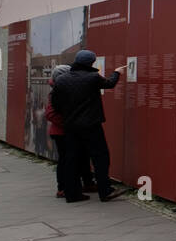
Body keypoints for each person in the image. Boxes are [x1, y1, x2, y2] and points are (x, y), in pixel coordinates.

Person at [51, 50, 127, 202]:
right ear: (91, 63)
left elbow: (56, 105)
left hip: (71, 127)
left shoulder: (62, 80)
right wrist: (117, 72)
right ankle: (105, 191)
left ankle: (72, 194)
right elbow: (109, 84)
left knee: (72, 159)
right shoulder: (92, 77)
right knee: (100, 157)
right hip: (91, 125)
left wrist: (69, 115)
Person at [44, 64, 96, 198]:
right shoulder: (56, 91)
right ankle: (63, 188)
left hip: (71, 131)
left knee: (81, 157)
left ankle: (86, 183)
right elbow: (50, 114)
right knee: (66, 161)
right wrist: (70, 124)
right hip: (63, 133)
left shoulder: (62, 88)